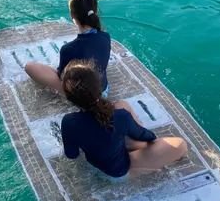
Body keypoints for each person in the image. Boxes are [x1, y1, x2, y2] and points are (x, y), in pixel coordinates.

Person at [60, 61, 188, 181]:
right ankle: (145, 158)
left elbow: (72, 154)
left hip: (95, 163)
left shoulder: (68, 121)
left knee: (121, 105)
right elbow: (145, 135)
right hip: (118, 174)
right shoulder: (120, 117)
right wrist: (153, 144)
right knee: (180, 144)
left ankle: (130, 146)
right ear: (99, 88)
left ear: (69, 97)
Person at [24, 0, 111, 96]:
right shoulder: (106, 37)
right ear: (95, 11)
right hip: (103, 91)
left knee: (30, 67)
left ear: (72, 16)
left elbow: (62, 78)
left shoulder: (68, 49)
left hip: (82, 98)